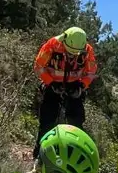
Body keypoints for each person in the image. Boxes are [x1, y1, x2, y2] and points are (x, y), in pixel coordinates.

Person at [33, 26, 98, 158]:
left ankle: (76, 153)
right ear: (64, 41)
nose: (72, 55)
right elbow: (39, 66)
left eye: (75, 53)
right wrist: (50, 82)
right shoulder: (52, 45)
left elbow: (91, 72)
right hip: (52, 84)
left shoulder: (87, 50)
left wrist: (81, 85)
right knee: (47, 120)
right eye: (70, 52)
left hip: (74, 84)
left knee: (77, 120)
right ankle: (40, 152)